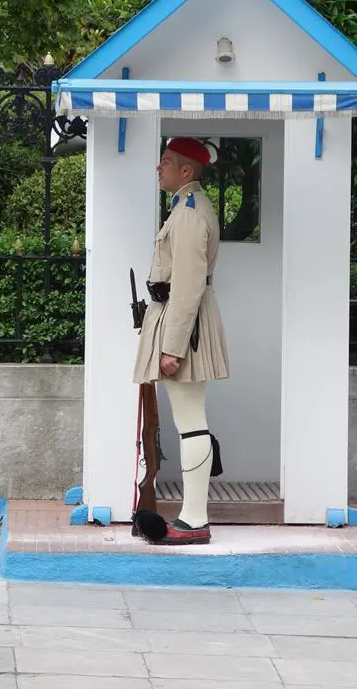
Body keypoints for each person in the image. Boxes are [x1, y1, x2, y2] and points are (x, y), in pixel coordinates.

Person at [133, 136, 229, 545]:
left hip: (182, 328)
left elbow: (188, 287)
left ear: (187, 171)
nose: (159, 167)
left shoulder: (189, 214)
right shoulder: (183, 208)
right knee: (190, 422)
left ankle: (194, 520)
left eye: (167, 161)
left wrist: (171, 347)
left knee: (191, 424)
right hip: (177, 321)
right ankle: (193, 516)